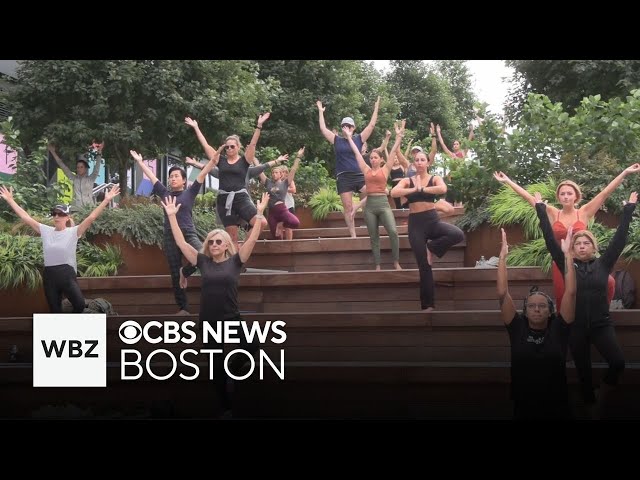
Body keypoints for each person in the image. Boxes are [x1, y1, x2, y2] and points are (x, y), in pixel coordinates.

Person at [160, 191, 269, 418]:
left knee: (252, 347)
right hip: (209, 322)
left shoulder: (235, 262)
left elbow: (252, 240)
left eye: (219, 241)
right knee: (215, 368)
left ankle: (235, 374)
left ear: (227, 244)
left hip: (231, 319)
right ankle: (225, 408)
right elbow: (180, 242)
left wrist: (258, 215)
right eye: (211, 241)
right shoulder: (202, 261)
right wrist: (172, 216)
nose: (215, 243)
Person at [535, 190, 637, 419]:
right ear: (572, 248)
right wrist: (541, 208)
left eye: (586, 242)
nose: (581, 246)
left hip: (601, 324)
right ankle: (591, 407)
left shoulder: (604, 264)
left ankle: (603, 392)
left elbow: (620, 238)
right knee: (584, 373)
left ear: (593, 247)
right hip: (576, 326)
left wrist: (629, 208)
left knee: (618, 362)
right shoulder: (566, 264)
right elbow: (549, 239)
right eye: (578, 243)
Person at [493, 164, 640, 309]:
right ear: (558, 197)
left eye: (569, 193)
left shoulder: (584, 212)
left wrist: (625, 172)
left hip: (584, 262)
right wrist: (508, 181)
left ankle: (602, 311)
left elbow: (604, 193)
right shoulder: (552, 213)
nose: (566, 196)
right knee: (564, 297)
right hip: (561, 262)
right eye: (562, 194)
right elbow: (528, 198)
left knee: (609, 282)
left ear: (576, 196)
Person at [0, 184, 120, 313]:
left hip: (66, 273)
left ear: (67, 217)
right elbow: (26, 218)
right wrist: (11, 200)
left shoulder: (73, 232)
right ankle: (62, 330)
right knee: (55, 310)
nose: (57, 217)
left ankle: (81, 321)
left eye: (61, 214)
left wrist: (106, 200)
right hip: (50, 275)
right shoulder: (46, 230)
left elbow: (91, 218)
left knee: (79, 305)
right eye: (54, 214)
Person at [498, 226, 576, 419]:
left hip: (556, 403)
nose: (537, 309)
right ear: (525, 311)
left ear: (551, 311)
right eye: (532, 306)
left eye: (542, 306)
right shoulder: (518, 328)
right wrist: (502, 258)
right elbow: (502, 294)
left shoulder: (559, 328)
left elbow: (571, 292)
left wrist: (568, 255)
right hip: (524, 403)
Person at [130, 148, 217, 315]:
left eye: (176, 176)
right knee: (174, 273)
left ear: (184, 180)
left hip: (188, 233)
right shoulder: (164, 192)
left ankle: (185, 272)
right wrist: (140, 162)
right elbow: (152, 177)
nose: (173, 179)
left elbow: (202, 174)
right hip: (170, 235)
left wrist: (212, 162)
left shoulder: (190, 192)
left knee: (203, 256)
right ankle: (183, 308)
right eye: (171, 176)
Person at [390, 148, 465, 311]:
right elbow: (394, 192)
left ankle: (431, 248)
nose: (419, 162)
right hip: (415, 225)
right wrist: (413, 189)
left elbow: (442, 189)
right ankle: (428, 305)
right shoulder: (408, 180)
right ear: (413, 163)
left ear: (428, 162)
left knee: (457, 234)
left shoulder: (434, 178)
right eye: (416, 160)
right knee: (425, 267)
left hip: (432, 220)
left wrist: (422, 189)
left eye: (422, 160)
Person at [185, 115, 269, 249]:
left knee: (262, 222)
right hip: (224, 200)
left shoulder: (244, 160)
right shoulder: (220, 160)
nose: (229, 149)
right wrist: (196, 127)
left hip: (241, 198)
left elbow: (253, 144)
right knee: (232, 238)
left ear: (238, 147)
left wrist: (259, 125)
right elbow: (205, 145)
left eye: (232, 147)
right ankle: (237, 265)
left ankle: (244, 249)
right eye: (227, 147)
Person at [316, 97, 380, 238]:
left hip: (359, 175)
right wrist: (321, 112)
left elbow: (371, 125)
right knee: (348, 208)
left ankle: (367, 221)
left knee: (374, 192)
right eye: (344, 126)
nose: (347, 128)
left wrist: (376, 108)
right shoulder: (336, 140)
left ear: (354, 128)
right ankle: (353, 235)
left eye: (349, 126)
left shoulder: (358, 139)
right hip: (343, 177)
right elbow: (323, 129)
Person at [345, 123, 402, 270]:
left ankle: (396, 262)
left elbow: (394, 150)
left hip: (383, 204)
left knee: (393, 232)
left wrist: (398, 137)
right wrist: (350, 138)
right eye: (371, 157)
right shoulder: (366, 170)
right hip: (370, 206)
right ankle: (377, 265)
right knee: (374, 237)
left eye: (376, 157)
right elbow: (357, 153)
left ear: (381, 159)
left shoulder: (385, 169)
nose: (373, 160)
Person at [256, 149, 304, 239]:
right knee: (276, 236)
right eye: (273, 173)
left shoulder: (285, 183)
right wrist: (253, 158)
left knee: (295, 222)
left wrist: (298, 157)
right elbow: (259, 170)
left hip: (282, 210)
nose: (274, 174)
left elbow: (293, 170)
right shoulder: (268, 182)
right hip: (271, 212)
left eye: (276, 172)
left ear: (281, 174)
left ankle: (281, 225)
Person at [48, 142, 104, 210]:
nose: (79, 169)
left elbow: (97, 167)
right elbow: (62, 165)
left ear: (86, 169)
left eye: (81, 167)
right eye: (78, 167)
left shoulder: (91, 178)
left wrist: (99, 152)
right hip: (75, 209)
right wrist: (53, 152)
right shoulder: (73, 178)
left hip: (89, 209)